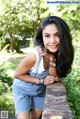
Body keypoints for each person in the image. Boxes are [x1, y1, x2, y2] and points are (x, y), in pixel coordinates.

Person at [12, 16, 74, 119]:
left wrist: (52, 59)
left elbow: (52, 79)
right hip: (22, 91)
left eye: (57, 35)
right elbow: (17, 74)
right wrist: (41, 80)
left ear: (64, 36)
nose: (52, 41)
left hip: (40, 92)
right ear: (42, 37)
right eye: (47, 36)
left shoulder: (61, 54)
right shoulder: (34, 56)